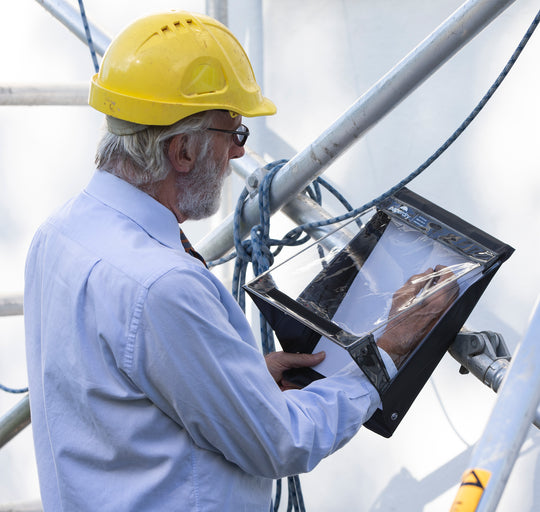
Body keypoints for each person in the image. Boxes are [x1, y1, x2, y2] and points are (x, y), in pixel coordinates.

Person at [23, 11, 457, 512]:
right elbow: (281, 441)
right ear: (183, 150)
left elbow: (120, 387)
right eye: (235, 132)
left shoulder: (56, 235)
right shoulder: (165, 286)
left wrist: (233, 381)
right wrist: (386, 352)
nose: (236, 153)